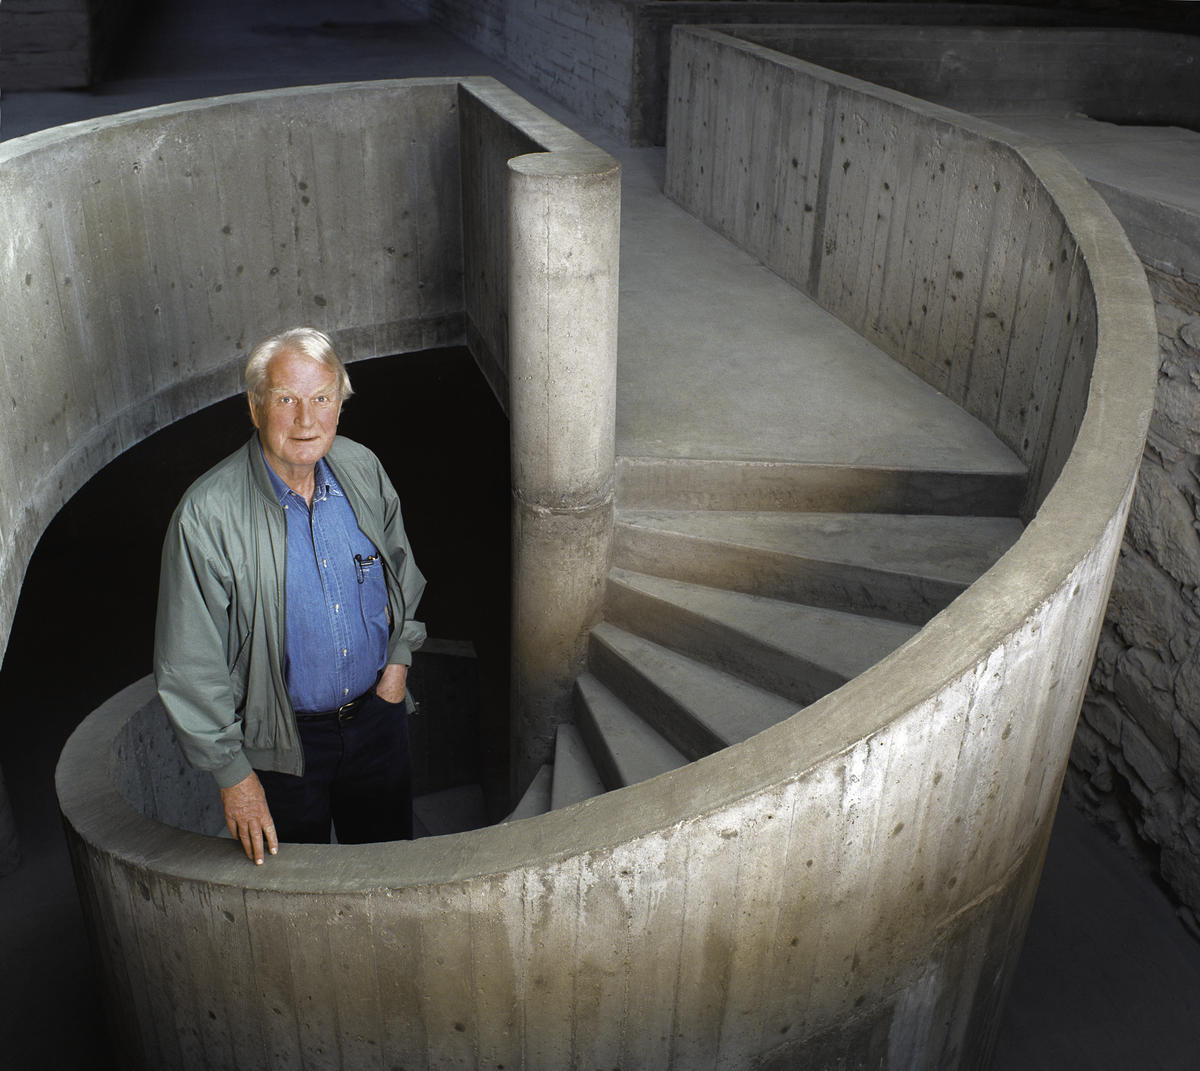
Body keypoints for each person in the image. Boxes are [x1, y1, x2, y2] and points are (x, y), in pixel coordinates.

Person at [154, 327, 426, 864]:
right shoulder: (206, 515)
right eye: (286, 400)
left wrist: (397, 666)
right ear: (256, 408)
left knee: (390, 874)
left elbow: (402, 572)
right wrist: (234, 776)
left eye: (322, 398)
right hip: (280, 749)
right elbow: (189, 661)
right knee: (296, 902)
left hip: (378, 720)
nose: (307, 419)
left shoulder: (361, 468)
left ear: (340, 407)